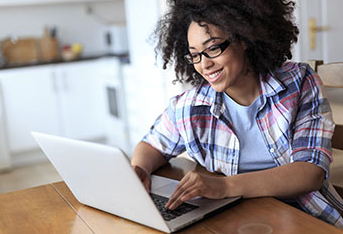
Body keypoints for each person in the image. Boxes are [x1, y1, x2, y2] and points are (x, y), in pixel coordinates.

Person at [131, 0, 343, 228]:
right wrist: (140, 171)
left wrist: (224, 187)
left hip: (308, 218)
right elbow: (152, 145)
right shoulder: (191, 106)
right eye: (194, 55)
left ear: (243, 38)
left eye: (212, 48)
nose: (205, 64)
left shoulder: (298, 83)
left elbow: (310, 173)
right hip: (237, 219)